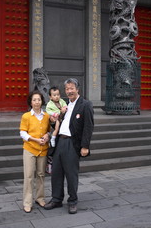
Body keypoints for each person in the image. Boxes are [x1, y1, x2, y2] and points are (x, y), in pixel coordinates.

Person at [44, 78, 94, 214]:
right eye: (67, 89)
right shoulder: (64, 104)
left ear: (78, 89)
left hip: (72, 143)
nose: (69, 91)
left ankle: (72, 201)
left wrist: (85, 146)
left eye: (72, 88)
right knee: (56, 172)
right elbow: (59, 122)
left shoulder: (85, 105)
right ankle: (56, 199)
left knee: (71, 174)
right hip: (60, 141)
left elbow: (88, 127)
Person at [19, 90, 50, 213]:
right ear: (30, 102)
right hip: (30, 149)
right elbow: (22, 133)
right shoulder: (26, 116)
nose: (37, 102)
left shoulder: (46, 116)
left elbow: (49, 130)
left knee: (41, 175)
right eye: (34, 100)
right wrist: (35, 140)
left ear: (42, 101)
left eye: (39, 99)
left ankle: (40, 198)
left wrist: (47, 136)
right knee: (29, 176)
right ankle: (27, 202)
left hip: (43, 150)